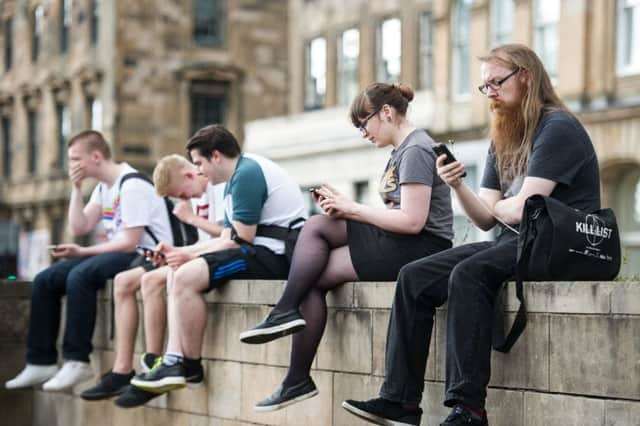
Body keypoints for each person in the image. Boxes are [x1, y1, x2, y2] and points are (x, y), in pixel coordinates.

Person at [342, 44, 602, 426]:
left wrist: (502, 206)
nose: (491, 92)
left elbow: (523, 207)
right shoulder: (503, 135)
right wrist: (458, 186)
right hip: (518, 241)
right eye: (485, 87)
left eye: (497, 82)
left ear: (526, 77)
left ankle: (470, 410)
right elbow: (486, 218)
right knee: (414, 277)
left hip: (563, 244)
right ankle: (400, 402)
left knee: (468, 273)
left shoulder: (557, 127)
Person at [238, 82, 454, 411]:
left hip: (421, 248)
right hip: (401, 242)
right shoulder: (401, 152)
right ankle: (296, 373)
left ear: (386, 113)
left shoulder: (415, 149)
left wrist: (352, 209)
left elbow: (413, 221)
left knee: (316, 227)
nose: (362, 133)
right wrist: (347, 209)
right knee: (310, 270)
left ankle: (285, 316)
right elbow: (396, 215)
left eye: (363, 123)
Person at [127, 124, 308, 401]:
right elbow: (227, 237)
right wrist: (179, 252)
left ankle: (189, 365)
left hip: (276, 257)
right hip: (259, 252)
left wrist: (188, 255)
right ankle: (177, 361)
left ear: (215, 156)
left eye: (199, 162)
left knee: (186, 276)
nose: (198, 170)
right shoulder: (234, 180)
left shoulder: (247, 174)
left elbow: (240, 240)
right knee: (179, 271)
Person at [5, 130, 173, 391]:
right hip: (121, 252)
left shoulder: (132, 185)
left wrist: (82, 252)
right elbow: (79, 227)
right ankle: (40, 360)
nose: (70, 165)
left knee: (79, 275)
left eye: (75, 159)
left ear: (95, 156)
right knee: (46, 279)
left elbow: (130, 241)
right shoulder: (104, 188)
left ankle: (77, 360)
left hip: (144, 255)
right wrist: (75, 188)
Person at [79, 154, 225, 405]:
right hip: (199, 255)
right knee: (141, 281)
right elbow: (204, 243)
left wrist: (190, 222)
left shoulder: (217, 187)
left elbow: (230, 236)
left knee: (165, 277)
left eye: (183, 194)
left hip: (220, 257)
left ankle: (169, 361)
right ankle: (153, 362)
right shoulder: (200, 194)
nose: (184, 200)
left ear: (190, 175)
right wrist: (173, 253)